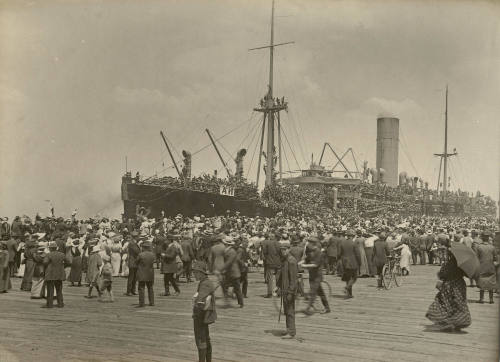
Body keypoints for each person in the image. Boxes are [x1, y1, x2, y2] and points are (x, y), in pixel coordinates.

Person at [425, 253, 471, 331]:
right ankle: (458, 322)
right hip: (459, 285)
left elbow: (442, 274)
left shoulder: (449, 264)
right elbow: (467, 274)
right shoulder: (462, 265)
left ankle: (446, 321)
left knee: (446, 303)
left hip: (449, 285)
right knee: (459, 303)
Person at [192, 261, 216, 362]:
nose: (194, 274)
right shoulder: (205, 282)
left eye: (196, 272)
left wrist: (195, 300)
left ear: (202, 273)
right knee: (205, 338)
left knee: (201, 339)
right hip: (203, 315)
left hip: (201, 316)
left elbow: (200, 301)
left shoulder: (205, 284)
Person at [301, 236, 330, 314]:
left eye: (309, 242)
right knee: (320, 292)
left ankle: (308, 308)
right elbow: (307, 259)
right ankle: (327, 308)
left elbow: (315, 264)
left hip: (318, 275)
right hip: (312, 274)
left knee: (313, 292)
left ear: (313, 244)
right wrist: (301, 262)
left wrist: (304, 266)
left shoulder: (318, 252)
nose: (307, 244)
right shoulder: (311, 251)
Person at [276, 240, 298, 339]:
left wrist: (290, 292)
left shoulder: (291, 261)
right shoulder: (284, 260)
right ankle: (288, 329)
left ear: (289, 249)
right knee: (286, 311)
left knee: (290, 311)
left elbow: (293, 279)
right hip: (284, 289)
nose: (283, 251)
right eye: (281, 250)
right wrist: (278, 286)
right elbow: (282, 276)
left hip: (289, 290)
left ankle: (291, 332)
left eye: (284, 250)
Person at [218, 238, 244, 308]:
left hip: (234, 273)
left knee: (236, 288)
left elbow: (228, 262)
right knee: (230, 287)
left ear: (227, 244)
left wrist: (221, 269)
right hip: (230, 273)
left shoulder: (231, 251)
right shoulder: (228, 251)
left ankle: (239, 303)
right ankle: (230, 300)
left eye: (224, 244)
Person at [475, 231, 497, 304]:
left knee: (482, 282)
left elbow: (476, 258)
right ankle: (491, 299)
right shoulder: (492, 247)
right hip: (491, 267)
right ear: (488, 238)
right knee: (491, 282)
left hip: (482, 267)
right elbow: (495, 258)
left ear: (482, 238)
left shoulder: (479, 247)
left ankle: (481, 299)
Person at [43, 241, 67, 308]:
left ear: (50, 248)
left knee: (50, 290)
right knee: (59, 289)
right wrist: (62, 266)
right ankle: (60, 303)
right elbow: (68, 262)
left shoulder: (48, 255)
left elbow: (45, 262)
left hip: (50, 274)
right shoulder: (62, 254)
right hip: (60, 273)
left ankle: (49, 304)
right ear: (56, 248)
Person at [338, 229, 360, 299]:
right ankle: (347, 288)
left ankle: (349, 294)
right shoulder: (354, 243)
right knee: (354, 277)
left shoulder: (342, 243)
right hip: (352, 262)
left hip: (344, 262)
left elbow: (339, 253)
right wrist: (360, 262)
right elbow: (358, 254)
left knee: (348, 278)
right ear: (353, 236)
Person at [262, 232, 281, 298]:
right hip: (278, 263)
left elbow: (264, 252)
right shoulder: (279, 244)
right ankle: (278, 293)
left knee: (270, 278)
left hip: (270, 262)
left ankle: (270, 293)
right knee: (278, 278)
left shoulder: (268, 243)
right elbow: (281, 254)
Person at [136, 241, 155, 307]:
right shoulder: (152, 254)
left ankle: (141, 303)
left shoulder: (140, 255)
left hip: (142, 273)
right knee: (150, 288)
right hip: (150, 273)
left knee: (141, 288)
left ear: (143, 247)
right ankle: (152, 302)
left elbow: (136, 262)